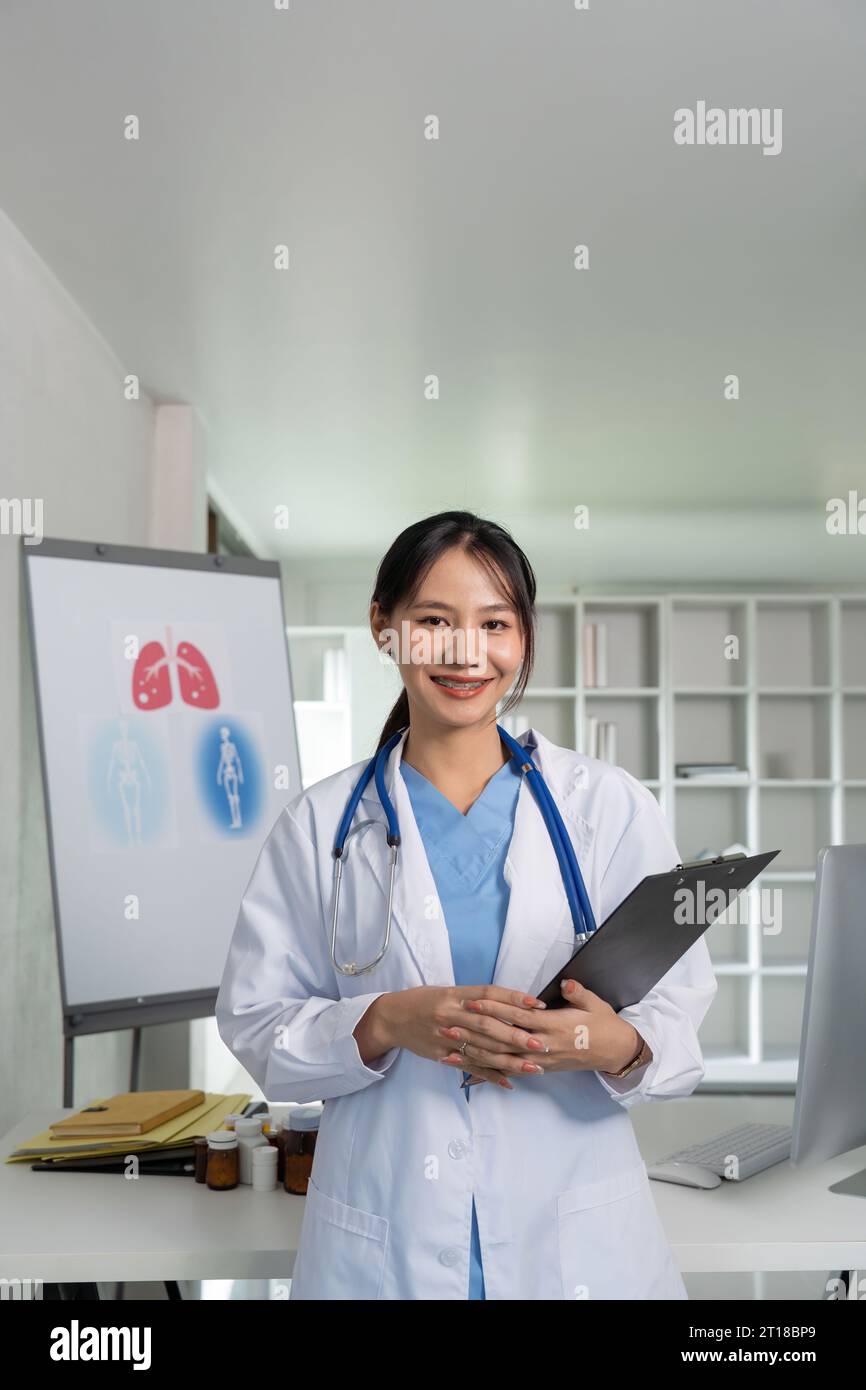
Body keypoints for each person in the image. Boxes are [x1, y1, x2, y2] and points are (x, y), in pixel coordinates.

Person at [215, 510, 717, 1300]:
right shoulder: (322, 825)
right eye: (433, 622)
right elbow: (253, 1020)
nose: (465, 652)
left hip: (577, 1246)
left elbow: (679, 1015)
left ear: (523, 637)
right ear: (385, 627)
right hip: (386, 1246)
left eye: (494, 623)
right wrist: (385, 1022)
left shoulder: (607, 809)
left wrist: (604, 1041)